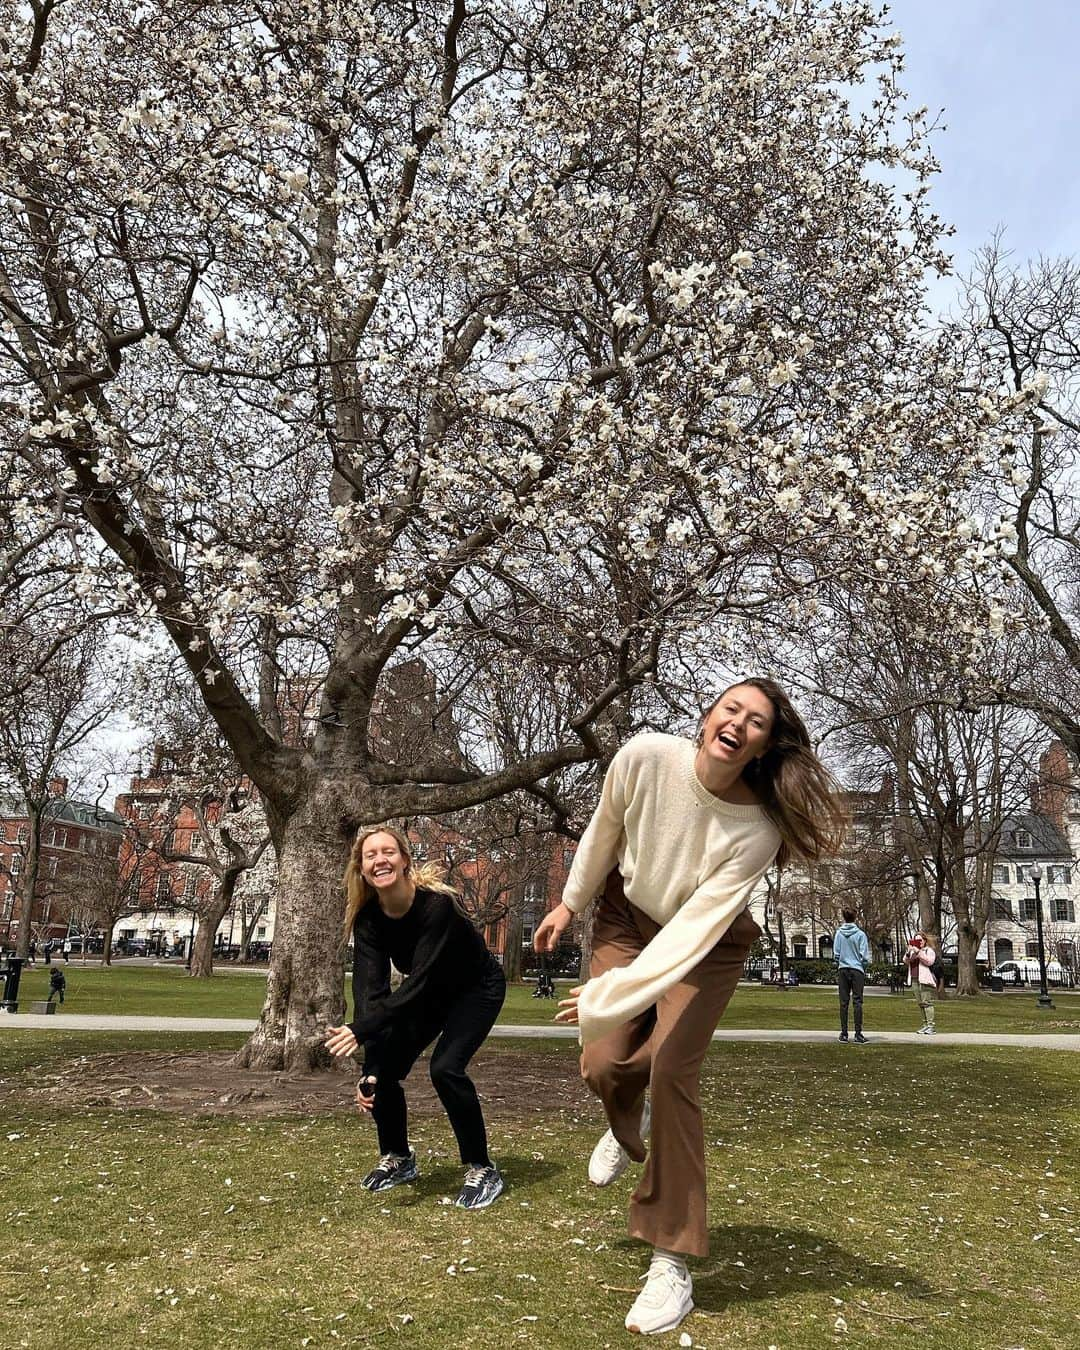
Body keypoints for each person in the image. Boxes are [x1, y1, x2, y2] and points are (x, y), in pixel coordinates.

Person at [533, 677, 846, 1335]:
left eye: (756, 721)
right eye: (731, 708)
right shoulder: (645, 756)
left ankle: (670, 1263)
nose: (739, 723)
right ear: (708, 718)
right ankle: (627, 1109)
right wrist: (570, 901)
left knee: (672, 1068)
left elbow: (688, 934)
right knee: (601, 1063)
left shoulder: (755, 833)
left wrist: (609, 995)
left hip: (706, 944)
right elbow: (605, 828)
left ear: (762, 746)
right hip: (627, 915)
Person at [325, 826, 507, 1211]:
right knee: (383, 1071)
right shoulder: (369, 920)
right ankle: (398, 1158)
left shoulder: (436, 906)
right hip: (431, 994)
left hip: (476, 988)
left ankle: (482, 1167)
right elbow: (369, 994)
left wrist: (360, 1031)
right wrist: (371, 1065)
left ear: (404, 859)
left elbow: (419, 983)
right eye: (370, 855)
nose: (380, 860)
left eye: (388, 851)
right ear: (361, 868)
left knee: (446, 1068)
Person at [833, 908, 871, 1044]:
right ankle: (858, 1033)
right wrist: (862, 967)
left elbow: (836, 954)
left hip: (843, 969)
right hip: (857, 970)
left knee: (843, 1002)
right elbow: (864, 956)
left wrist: (840, 962)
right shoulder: (860, 935)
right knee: (857, 1002)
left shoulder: (839, 934)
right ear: (855, 918)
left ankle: (844, 1033)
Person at [903, 932, 938, 1034]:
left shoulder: (928, 951)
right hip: (914, 979)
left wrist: (919, 952)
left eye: (920, 940)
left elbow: (929, 961)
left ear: (925, 940)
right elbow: (906, 960)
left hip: (924, 980)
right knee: (920, 1004)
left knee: (927, 1002)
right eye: (916, 941)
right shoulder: (913, 951)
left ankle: (931, 1026)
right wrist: (909, 952)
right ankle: (925, 1025)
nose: (919, 942)